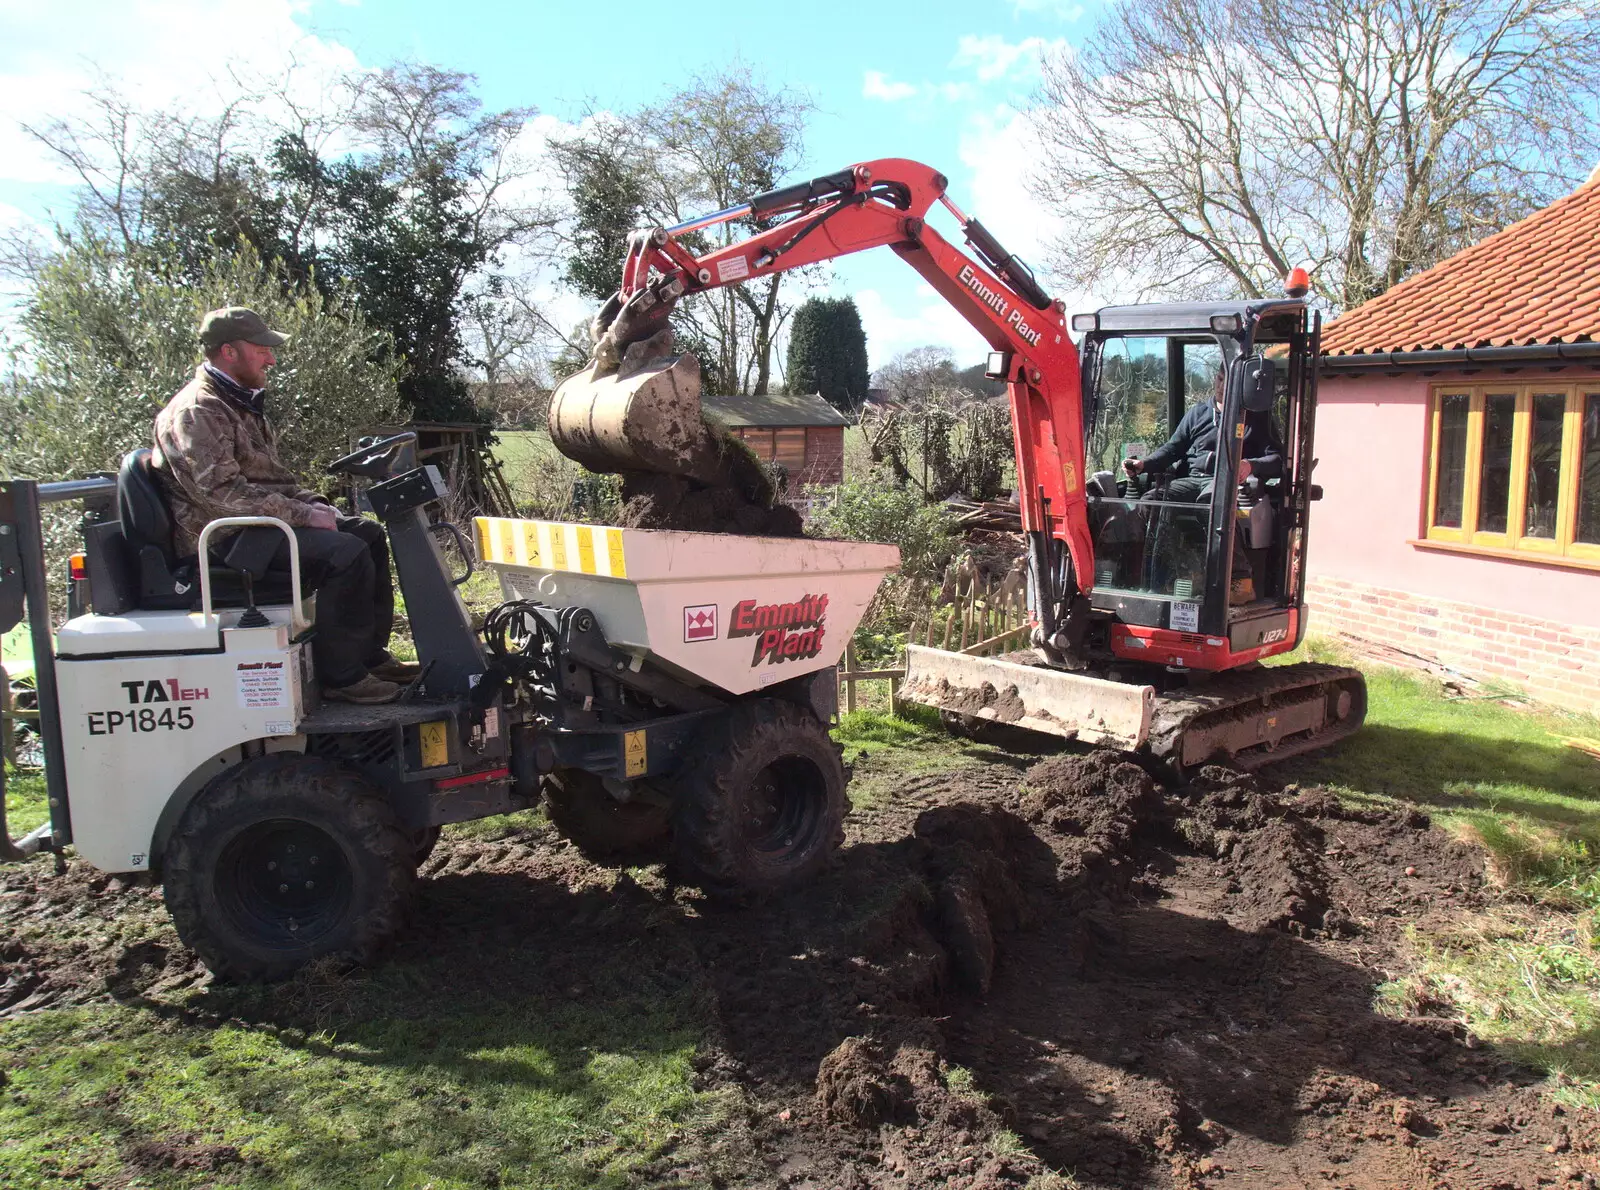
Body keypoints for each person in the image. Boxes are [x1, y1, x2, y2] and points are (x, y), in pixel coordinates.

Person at [152, 306, 416, 704]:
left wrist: (316, 504)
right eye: (261, 350)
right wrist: (304, 516)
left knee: (367, 533)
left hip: (256, 527)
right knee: (345, 554)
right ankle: (341, 677)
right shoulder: (198, 411)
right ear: (229, 352)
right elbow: (223, 495)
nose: (271, 359)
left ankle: (368, 657)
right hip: (226, 539)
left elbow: (273, 480)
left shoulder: (239, 404)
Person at [1122, 368, 1282, 498]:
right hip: (1192, 480)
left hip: (1225, 483)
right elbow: (1172, 449)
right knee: (1150, 502)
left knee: (1212, 504)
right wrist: (1144, 464)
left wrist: (1250, 465)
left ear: (1243, 386)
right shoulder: (1197, 413)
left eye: (1228, 382)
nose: (1221, 386)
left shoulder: (1257, 419)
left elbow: (1276, 460)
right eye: (1219, 379)